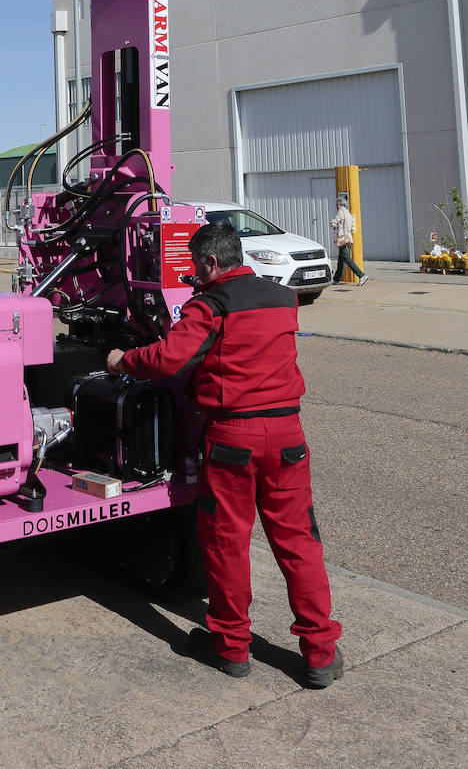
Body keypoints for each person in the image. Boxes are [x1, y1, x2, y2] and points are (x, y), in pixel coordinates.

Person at [106, 221, 343, 688]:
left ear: (212, 262)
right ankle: (320, 654)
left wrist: (121, 361)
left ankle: (231, 649)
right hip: (288, 435)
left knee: (227, 543)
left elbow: (168, 359)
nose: (195, 274)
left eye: (197, 266)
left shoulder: (209, 307)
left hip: (234, 439)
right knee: (299, 542)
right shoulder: (283, 298)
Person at [330, 197, 368, 285]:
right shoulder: (348, 213)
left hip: (342, 240)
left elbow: (333, 222)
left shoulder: (340, 212)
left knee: (347, 259)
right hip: (348, 238)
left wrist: (333, 225)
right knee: (341, 260)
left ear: (338, 204)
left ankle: (361, 275)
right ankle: (336, 279)